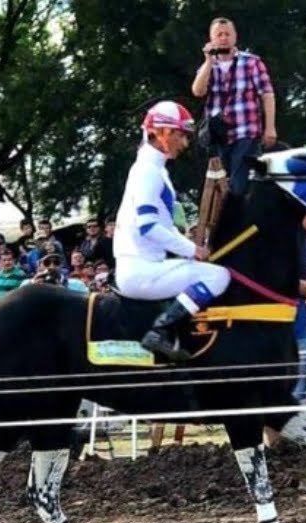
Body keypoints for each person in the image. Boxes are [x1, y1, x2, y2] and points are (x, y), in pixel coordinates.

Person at [114, 101, 231, 361]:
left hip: (142, 266)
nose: (185, 143)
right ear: (161, 133)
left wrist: (191, 251)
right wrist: (194, 250)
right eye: (180, 135)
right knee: (219, 276)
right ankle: (162, 330)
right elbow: (148, 227)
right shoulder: (148, 172)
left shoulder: (153, 170)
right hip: (140, 270)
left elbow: (161, 228)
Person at [191, 17, 276, 196]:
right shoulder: (208, 67)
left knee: (240, 182)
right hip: (218, 135)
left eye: (227, 34)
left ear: (235, 36)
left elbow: (267, 95)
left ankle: (241, 217)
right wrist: (208, 61)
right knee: (219, 183)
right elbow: (198, 91)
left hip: (246, 130)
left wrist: (270, 128)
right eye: (219, 35)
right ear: (211, 38)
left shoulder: (252, 62)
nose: (223, 38)